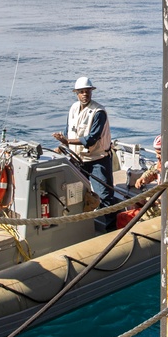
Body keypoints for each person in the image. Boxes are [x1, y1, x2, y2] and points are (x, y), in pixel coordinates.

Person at [52, 76, 118, 229]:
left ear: (91, 92)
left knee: (105, 195)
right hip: (78, 159)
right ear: (76, 93)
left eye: (87, 91)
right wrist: (62, 146)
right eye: (81, 92)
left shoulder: (98, 112)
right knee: (75, 194)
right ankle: (80, 228)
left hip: (98, 159)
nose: (85, 94)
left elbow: (91, 139)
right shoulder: (73, 108)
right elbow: (68, 131)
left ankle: (110, 228)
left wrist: (66, 142)